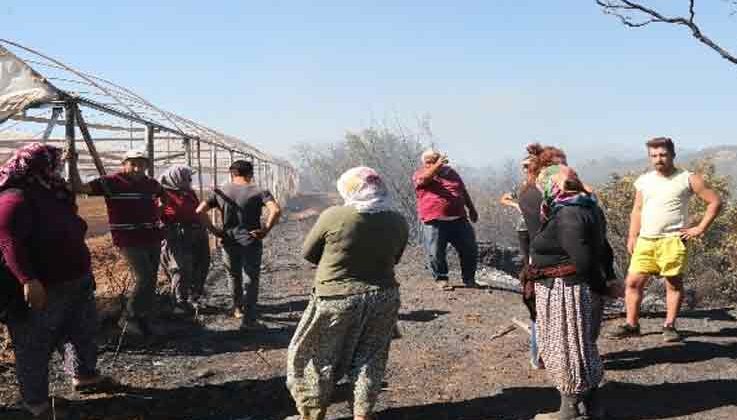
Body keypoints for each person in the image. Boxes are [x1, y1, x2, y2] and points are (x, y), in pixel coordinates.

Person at [0, 143, 117, 419]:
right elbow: (8, 242)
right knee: (34, 343)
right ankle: (36, 403)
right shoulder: (14, 198)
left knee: (81, 331)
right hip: (43, 284)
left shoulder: (53, 192)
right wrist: (28, 280)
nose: (59, 168)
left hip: (75, 279)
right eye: (55, 163)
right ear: (39, 166)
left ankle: (84, 376)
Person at [286, 167, 409, 420]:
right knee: (370, 356)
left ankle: (312, 414)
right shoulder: (398, 220)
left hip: (336, 297)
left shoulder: (335, 216)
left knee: (315, 357)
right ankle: (362, 414)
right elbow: (395, 258)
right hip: (384, 296)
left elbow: (309, 253)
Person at [608, 137, 722, 342]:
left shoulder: (688, 178)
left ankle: (669, 326)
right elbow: (637, 209)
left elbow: (715, 202)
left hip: (673, 239)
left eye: (662, 154)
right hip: (646, 239)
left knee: (673, 283)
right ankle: (632, 324)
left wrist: (700, 228)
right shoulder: (644, 180)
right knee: (633, 282)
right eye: (654, 155)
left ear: (672, 155)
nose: (658, 159)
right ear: (649, 157)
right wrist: (632, 235)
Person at [529, 164, 614, 420]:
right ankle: (592, 405)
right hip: (571, 288)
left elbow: (583, 258)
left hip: (565, 291)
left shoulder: (568, 214)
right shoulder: (587, 206)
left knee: (566, 346)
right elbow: (603, 248)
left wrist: (601, 286)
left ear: (551, 187)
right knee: (581, 345)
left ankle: (569, 410)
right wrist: (605, 281)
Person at [78, 149, 164, 336]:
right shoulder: (110, 183)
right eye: (132, 163)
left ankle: (143, 317)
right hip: (128, 238)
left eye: (141, 164)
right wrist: (71, 163)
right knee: (144, 277)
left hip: (151, 236)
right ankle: (129, 317)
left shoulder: (151, 184)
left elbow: (162, 197)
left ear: (147, 166)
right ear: (123, 164)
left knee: (151, 279)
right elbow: (80, 188)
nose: (137, 168)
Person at [196, 159, 281, 328]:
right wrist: (265, 230)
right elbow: (276, 210)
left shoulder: (220, 192)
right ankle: (249, 319)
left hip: (229, 240)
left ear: (232, 174)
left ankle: (237, 308)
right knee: (251, 278)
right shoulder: (259, 191)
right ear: (250, 174)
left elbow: (199, 211)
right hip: (251, 240)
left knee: (233, 275)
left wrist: (215, 230)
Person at [413, 148, 483, 291]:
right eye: (430, 161)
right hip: (435, 221)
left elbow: (462, 190)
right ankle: (441, 279)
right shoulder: (421, 174)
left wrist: (472, 209)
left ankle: (469, 279)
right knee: (436, 251)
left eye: (436, 160)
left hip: (459, 219)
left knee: (469, 248)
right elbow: (423, 179)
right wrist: (437, 165)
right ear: (426, 163)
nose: (434, 164)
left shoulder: (451, 173)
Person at [159, 165, 213, 314]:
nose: (190, 180)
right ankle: (179, 303)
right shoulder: (163, 193)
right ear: (176, 178)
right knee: (181, 268)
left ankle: (194, 298)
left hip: (196, 233)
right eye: (186, 178)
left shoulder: (189, 193)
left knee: (201, 264)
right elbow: (159, 214)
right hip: (177, 235)